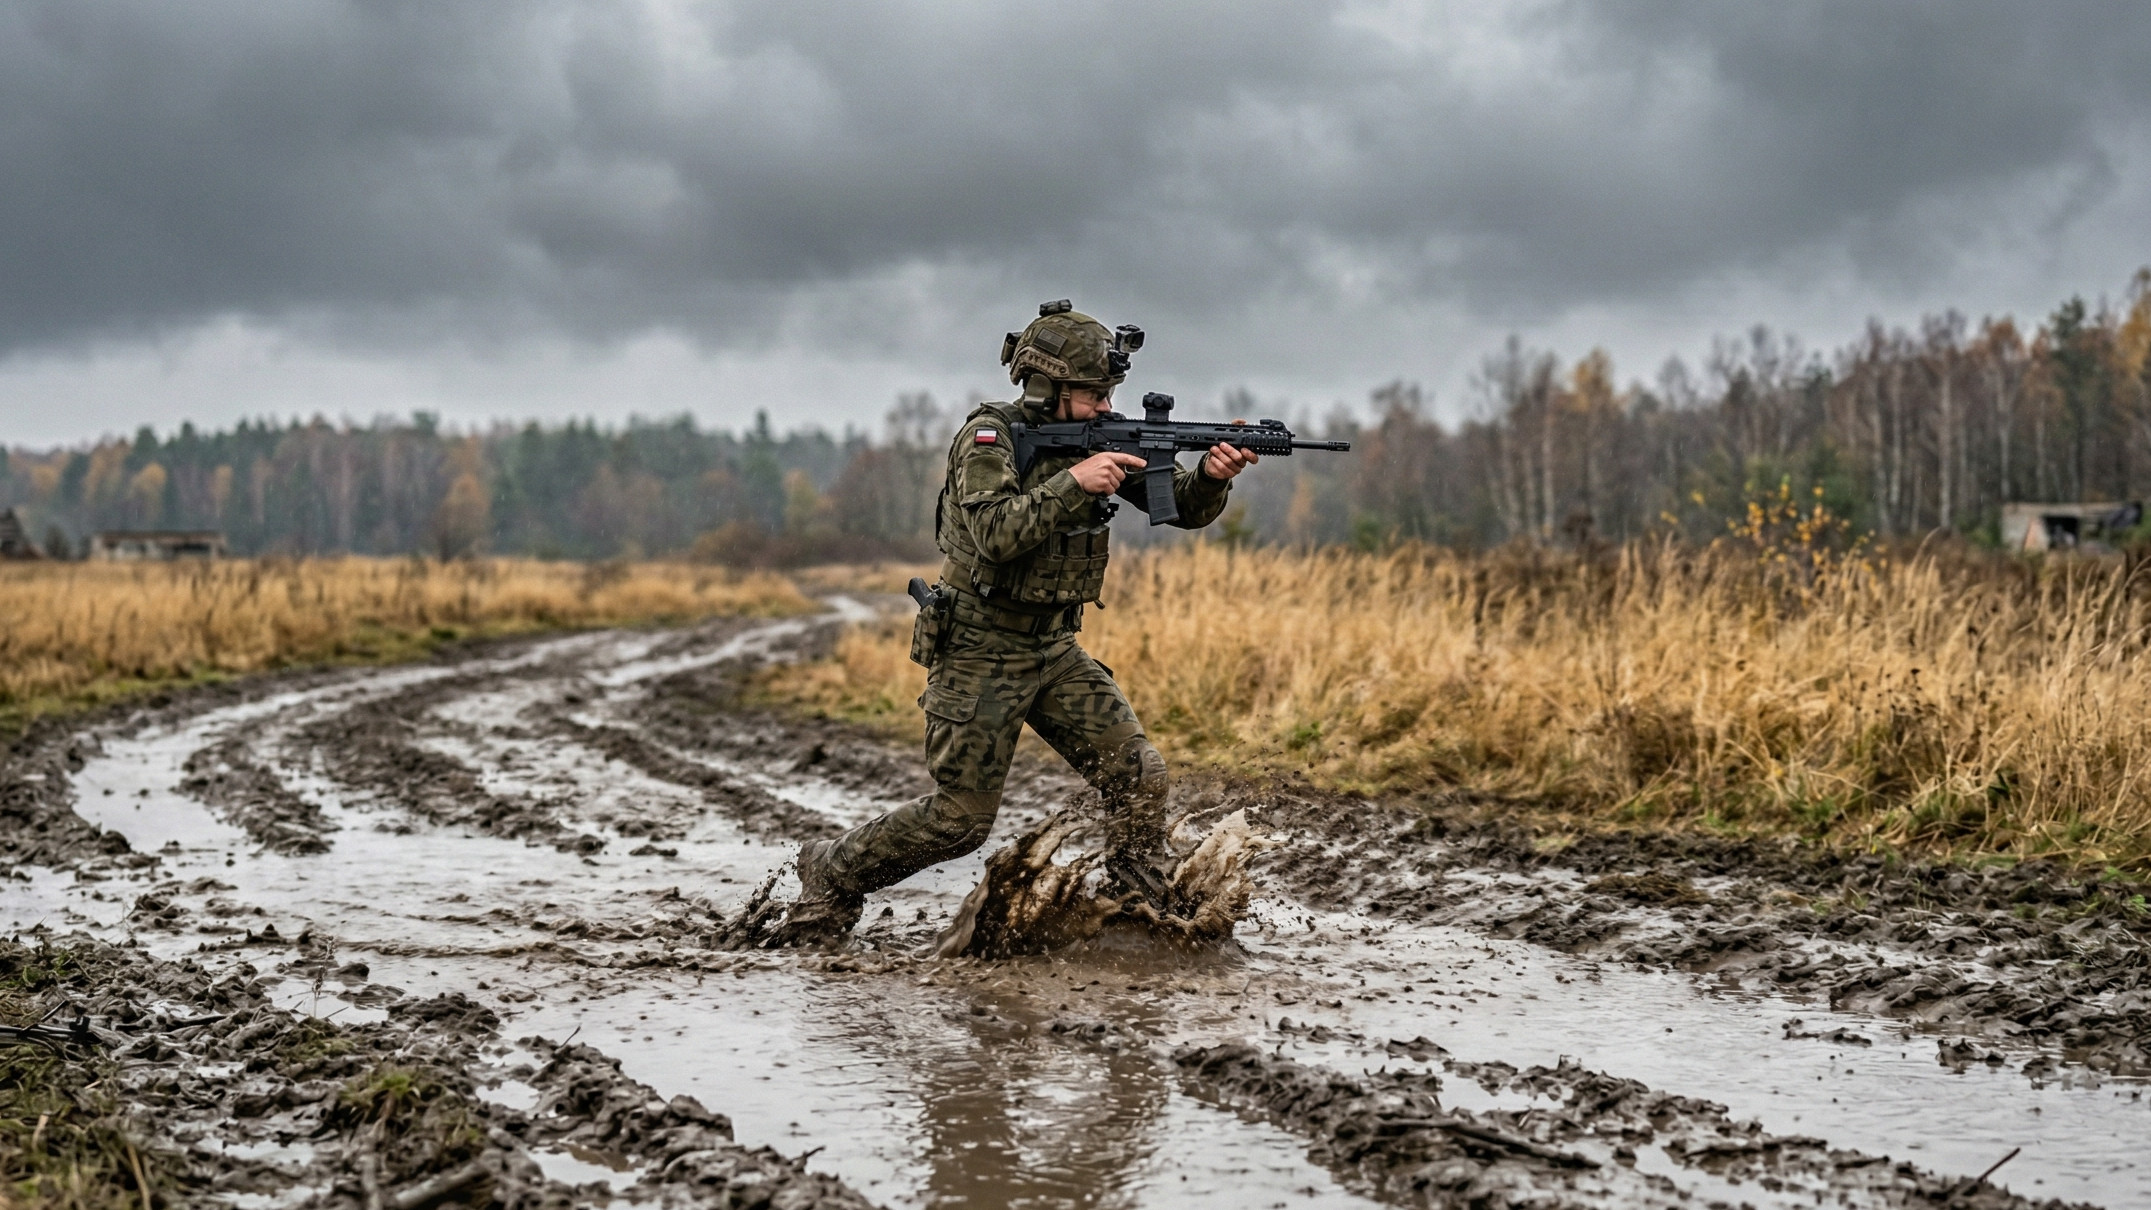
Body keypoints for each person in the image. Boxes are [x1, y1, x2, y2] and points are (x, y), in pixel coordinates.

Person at [784, 300, 1259, 944]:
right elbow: (994, 533)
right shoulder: (990, 438)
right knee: (961, 819)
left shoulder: (1104, 436)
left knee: (1137, 773)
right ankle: (832, 872)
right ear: (1045, 385)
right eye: (1092, 394)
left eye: (1108, 393)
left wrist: (1209, 477)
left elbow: (1176, 505)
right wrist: (1076, 483)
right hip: (980, 642)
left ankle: (1137, 910)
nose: (1104, 407)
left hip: (1053, 646)